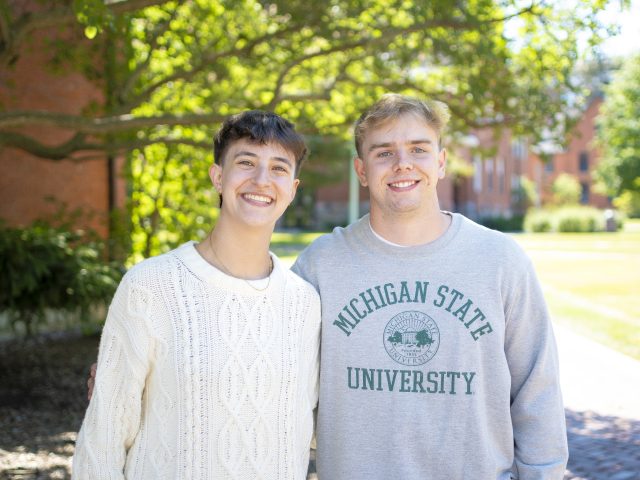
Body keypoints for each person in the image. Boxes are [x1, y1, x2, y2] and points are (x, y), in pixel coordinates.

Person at [291, 94, 568, 479]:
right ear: (361, 170)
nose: (402, 163)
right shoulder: (320, 265)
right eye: (383, 152)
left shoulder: (501, 261)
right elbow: (285, 394)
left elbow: (537, 391)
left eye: (418, 149)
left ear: (440, 162)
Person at [73, 110, 321, 480]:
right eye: (246, 162)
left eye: (279, 168)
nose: (261, 179)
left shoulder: (305, 303)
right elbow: (103, 441)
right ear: (218, 177)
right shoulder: (151, 286)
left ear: (293, 189)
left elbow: (313, 425)